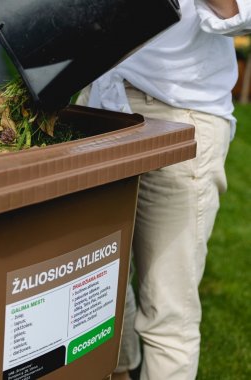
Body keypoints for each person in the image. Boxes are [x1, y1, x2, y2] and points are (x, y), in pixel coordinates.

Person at [76, 1, 250, 379]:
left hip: (176, 114)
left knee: (167, 305)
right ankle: (120, 370)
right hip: (98, 102)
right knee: (98, 282)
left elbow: (241, 13)